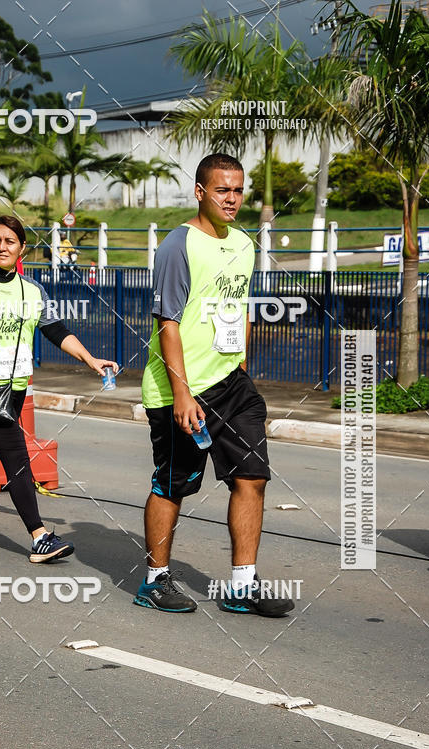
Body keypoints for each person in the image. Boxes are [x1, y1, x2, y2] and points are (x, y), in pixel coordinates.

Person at [133, 153, 294, 617]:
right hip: (178, 388)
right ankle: (155, 579)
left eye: (238, 190)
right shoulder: (177, 245)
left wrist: (242, 364)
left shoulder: (244, 243)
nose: (232, 198)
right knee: (173, 485)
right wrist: (182, 392)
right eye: (222, 189)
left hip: (232, 385)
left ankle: (243, 584)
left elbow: (239, 307)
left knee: (253, 478)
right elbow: (168, 322)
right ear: (201, 192)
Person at [0, 214, 118, 561]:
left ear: (22, 248)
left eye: (9, 241)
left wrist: (90, 359)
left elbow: (56, 330)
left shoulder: (32, 290)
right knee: (16, 455)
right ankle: (39, 535)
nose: (2, 247)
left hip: (17, 387)